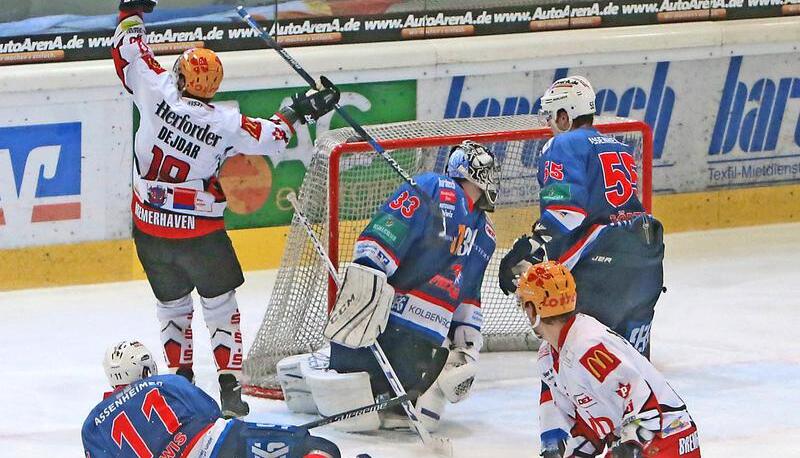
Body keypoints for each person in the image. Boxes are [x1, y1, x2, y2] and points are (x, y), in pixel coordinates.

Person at [112, 0, 339, 417]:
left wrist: (131, 12)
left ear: (180, 76)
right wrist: (303, 107)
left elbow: (129, 50)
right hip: (201, 235)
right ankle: (230, 388)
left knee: (172, 307)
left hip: (150, 231)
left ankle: (181, 382)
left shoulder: (155, 90)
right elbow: (274, 134)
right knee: (220, 308)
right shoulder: (224, 124)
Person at [277, 140, 499, 432]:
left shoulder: (431, 186)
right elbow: (468, 298)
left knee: (349, 387)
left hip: (377, 330)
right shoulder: (485, 234)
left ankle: (326, 381)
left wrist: (367, 282)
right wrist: (466, 348)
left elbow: (377, 245)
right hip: (422, 350)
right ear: (478, 174)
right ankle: (396, 398)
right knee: (414, 409)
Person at [499, 76, 664, 358]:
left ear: (565, 116)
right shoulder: (619, 147)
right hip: (646, 265)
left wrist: (533, 247)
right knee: (635, 370)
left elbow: (567, 213)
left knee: (579, 370)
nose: (548, 124)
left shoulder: (563, 145)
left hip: (601, 271)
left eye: (551, 116)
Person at [516, 261, 700, 458]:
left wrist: (630, 446)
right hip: (648, 437)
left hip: (666, 435)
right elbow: (589, 422)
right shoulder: (550, 355)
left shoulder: (587, 345)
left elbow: (642, 402)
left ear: (532, 310)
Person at [82, 340, 340, 458]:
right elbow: (211, 412)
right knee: (318, 447)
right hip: (220, 444)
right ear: (146, 368)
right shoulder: (166, 383)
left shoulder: (93, 424)